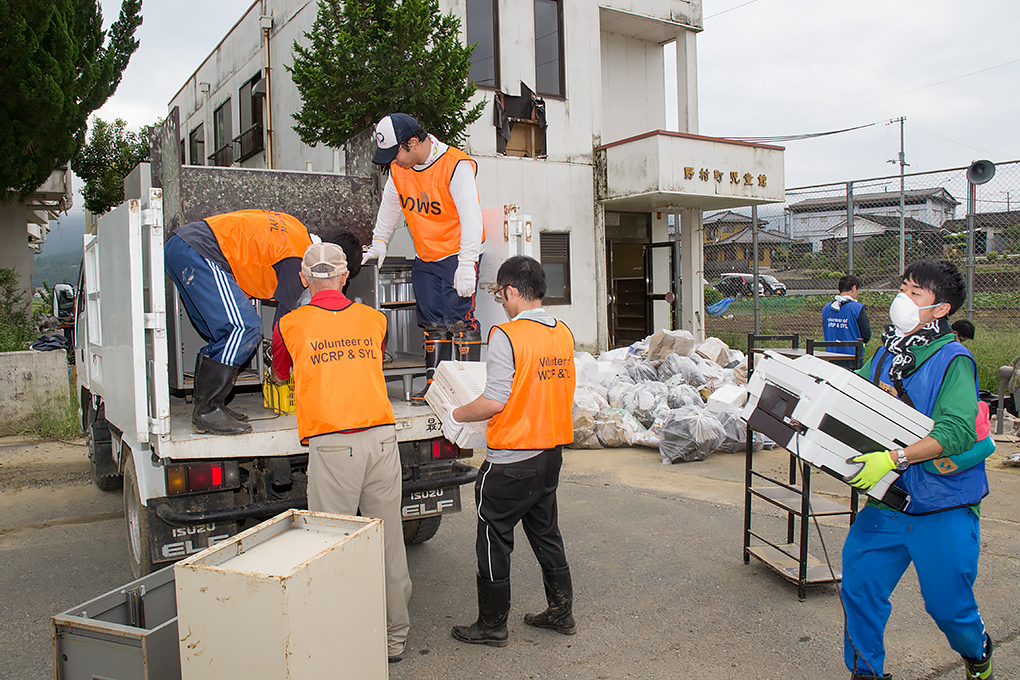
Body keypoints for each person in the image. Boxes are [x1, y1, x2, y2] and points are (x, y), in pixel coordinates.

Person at [840, 260, 993, 680]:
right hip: (889, 502)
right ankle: (866, 671)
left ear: (940, 309)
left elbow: (958, 430)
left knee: (949, 608)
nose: (901, 299)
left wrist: (894, 459)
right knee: (860, 586)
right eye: (903, 287)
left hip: (943, 505)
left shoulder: (952, 358)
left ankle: (977, 651)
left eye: (914, 293)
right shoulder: (888, 350)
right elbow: (861, 393)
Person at [272, 243, 411, 664]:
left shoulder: (291, 324)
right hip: (383, 441)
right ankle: (394, 638)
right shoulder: (374, 319)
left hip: (334, 445)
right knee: (388, 542)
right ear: (345, 275)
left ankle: (337, 638)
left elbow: (281, 371)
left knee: (329, 545)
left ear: (303, 279)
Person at [442, 256, 576, 648]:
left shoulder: (506, 334)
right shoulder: (563, 332)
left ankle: (491, 624)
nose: (501, 301)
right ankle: (560, 610)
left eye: (501, 293)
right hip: (550, 453)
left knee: (493, 536)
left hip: (512, 458)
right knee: (546, 532)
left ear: (513, 291)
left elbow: (494, 401)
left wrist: (456, 413)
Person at [164, 209, 333, 435]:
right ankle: (207, 410)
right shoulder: (298, 260)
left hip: (184, 246)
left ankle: (212, 406)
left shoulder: (296, 232)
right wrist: (279, 370)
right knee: (243, 328)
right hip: (201, 250)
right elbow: (282, 327)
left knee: (219, 333)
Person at [364, 113, 485, 402]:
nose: (395, 161)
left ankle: (467, 391)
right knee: (432, 322)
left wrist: (467, 262)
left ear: (414, 142)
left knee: (460, 321)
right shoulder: (399, 169)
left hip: (457, 254)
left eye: (397, 154)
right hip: (426, 257)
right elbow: (390, 205)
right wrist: (379, 241)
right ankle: (435, 386)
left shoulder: (456, 165)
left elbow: (472, 218)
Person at [822, 274, 871, 369]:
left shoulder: (826, 309)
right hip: (853, 358)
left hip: (832, 357)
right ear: (854, 288)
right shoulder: (857, 308)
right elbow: (866, 335)